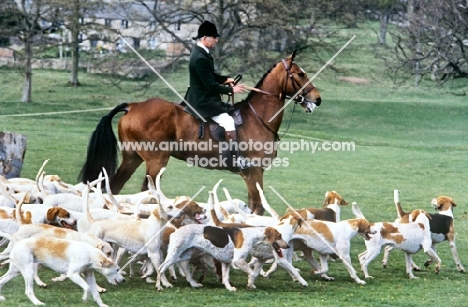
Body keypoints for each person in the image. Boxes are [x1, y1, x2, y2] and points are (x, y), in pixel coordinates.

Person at [185, 20, 250, 169]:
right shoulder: (200, 57)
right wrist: (231, 90)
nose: (216, 40)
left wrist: (226, 79)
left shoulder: (201, 53)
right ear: (205, 37)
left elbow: (210, 75)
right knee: (228, 121)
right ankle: (237, 159)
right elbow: (210, 85)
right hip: (202, 101)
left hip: (204, 96)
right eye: (214, 37)